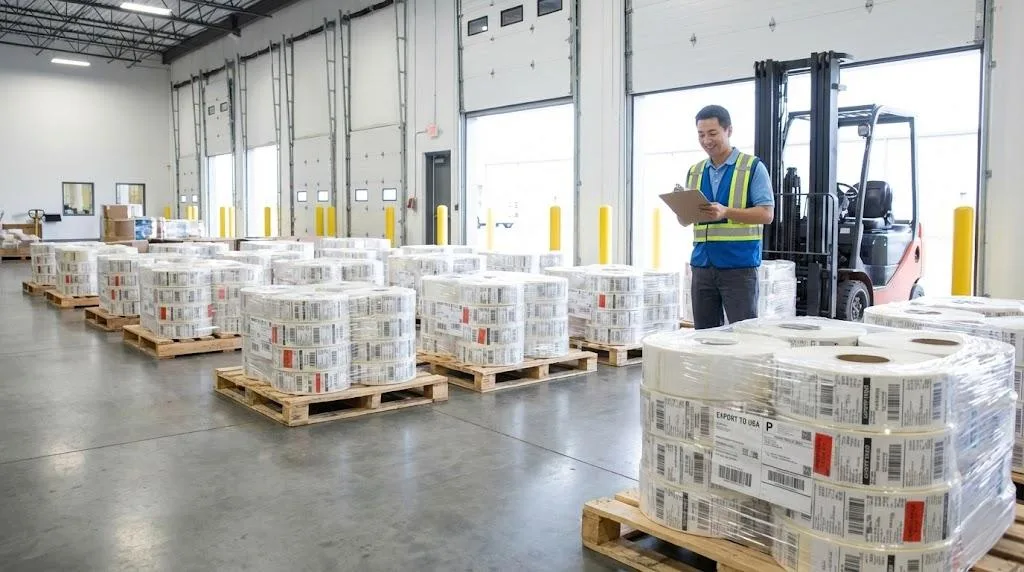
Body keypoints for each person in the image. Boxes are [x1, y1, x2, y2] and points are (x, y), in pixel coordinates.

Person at [683, 105, 775, 329]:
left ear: (729, 131)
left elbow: (767, 214)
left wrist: (726, 212)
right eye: (701, 135)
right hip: (702, 266)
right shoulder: (695, 171)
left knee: (743, 336)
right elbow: (687, 220)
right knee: (704, 336)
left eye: (712, 133)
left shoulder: (752, 167)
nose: (706, 140)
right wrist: (682, 212)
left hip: (738, 268)